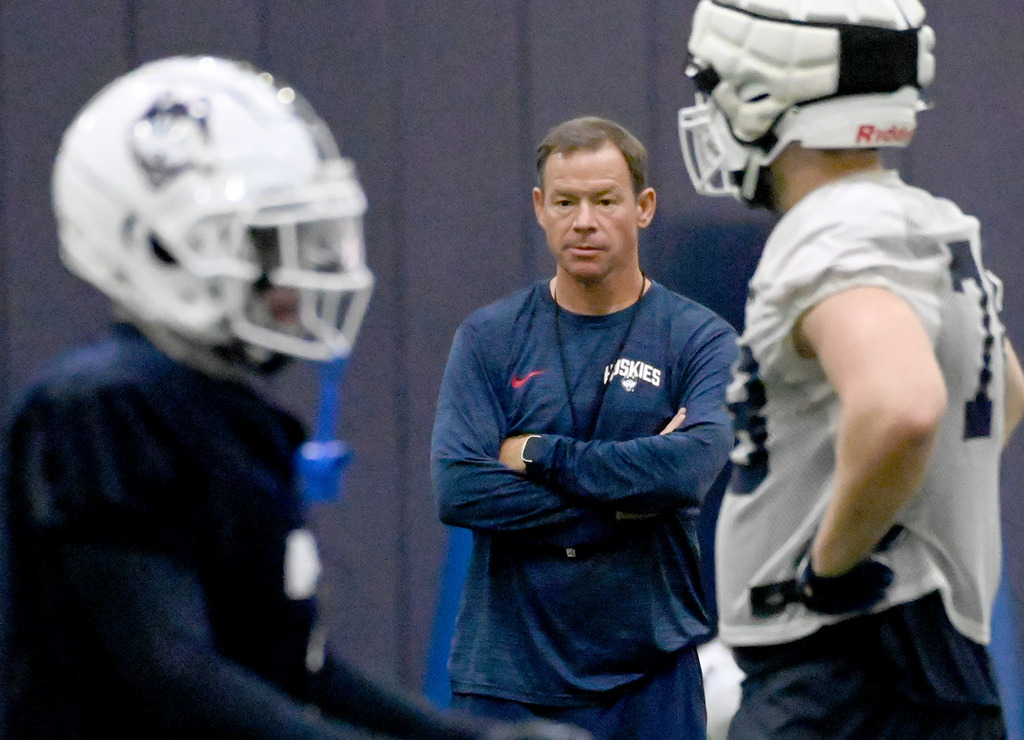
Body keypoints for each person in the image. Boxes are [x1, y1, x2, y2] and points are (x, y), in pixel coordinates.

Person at [0, 55, 592, 740]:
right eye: (268, 245)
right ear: (158, 246)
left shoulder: (222, 413)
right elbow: (173, 679)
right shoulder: (100, 412)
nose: (297, 276)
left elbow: (291, 669)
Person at [676, 1, 1024, 738]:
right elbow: (1006, 395)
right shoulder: (922, 218)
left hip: (844, 669)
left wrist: (828, 569)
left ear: (763, 91)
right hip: (931, 667)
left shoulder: (834, 231)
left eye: (713, 83)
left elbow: (903, 407)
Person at [430, 116, 738, 740]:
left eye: (605, 201)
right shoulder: (490, 338)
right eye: (566, 202)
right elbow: (460, 487)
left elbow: (686, 469)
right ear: (541, 209)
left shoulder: (701, 340)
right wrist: (628, 502)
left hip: (650, 678)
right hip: (507, 678)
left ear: (643, 207)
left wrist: (538, 453)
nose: (585, 221)